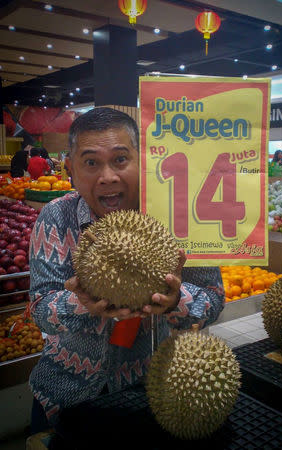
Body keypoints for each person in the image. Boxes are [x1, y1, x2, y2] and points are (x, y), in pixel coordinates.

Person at [28, 107, 225, 434]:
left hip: (151, 393)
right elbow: (39, 309)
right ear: (70, 171)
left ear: (142, 162)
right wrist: (81, 304)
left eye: (120, 159)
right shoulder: (55, 219)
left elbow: (215, 301)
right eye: (91, 162)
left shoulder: (178, 214)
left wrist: (176, 299)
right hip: (63, 395)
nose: (108, 177)